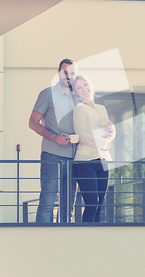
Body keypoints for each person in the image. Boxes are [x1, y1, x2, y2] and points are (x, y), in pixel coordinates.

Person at [29, 58, 78, 223]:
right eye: (65, 72)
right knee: (47, 204)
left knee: (68, 207)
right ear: (58, 73)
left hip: (74, 160)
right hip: (52, 157)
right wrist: (55, 137)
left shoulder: (78, 98)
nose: (68, 76)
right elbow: (32, 123)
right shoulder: (47, 94)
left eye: (71, 73)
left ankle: (64, 245)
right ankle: (42, 244)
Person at [72, 74, 115, 222]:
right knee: (92, 204)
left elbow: (109, 129)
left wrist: (111, 131)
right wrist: (103, 143)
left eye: (85, 85)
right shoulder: (79, 109)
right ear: (76, 93)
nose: (83, 89)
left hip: (103, 160)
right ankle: (86, 240)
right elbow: (81, 135)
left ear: (90, 85)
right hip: (85, 162)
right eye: (79, 87)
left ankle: (97, 242)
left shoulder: (101, 108)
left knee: (99, 206)